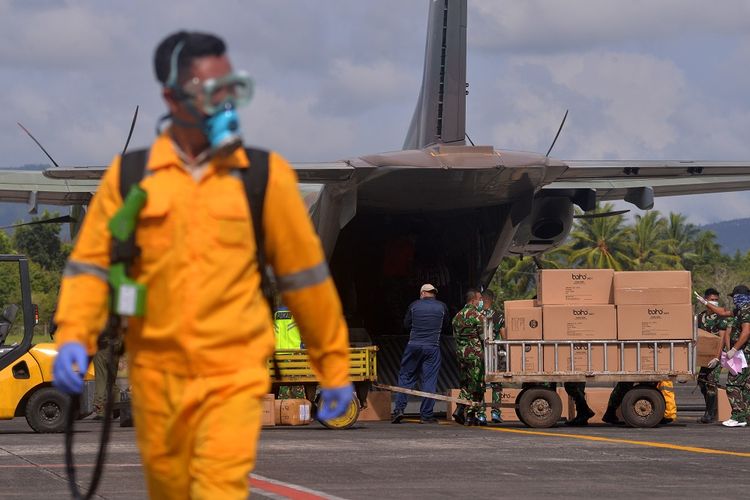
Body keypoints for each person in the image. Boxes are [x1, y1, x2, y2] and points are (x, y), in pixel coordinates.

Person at [51, 31, 352, 499]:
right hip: (155, 375)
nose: (225, 100)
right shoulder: (131, 177)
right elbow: (91, 267)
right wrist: (74, 336)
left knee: (217, 487)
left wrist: (332, 365)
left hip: (232, 372)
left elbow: (305, 279)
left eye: (230, 87)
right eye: (210, 89)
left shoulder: (262, 177)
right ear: (172, 96)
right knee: (170, 490)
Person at [392, 284, 449, 424]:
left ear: (422, 293)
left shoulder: (414, 305)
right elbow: (447, 325)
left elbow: (406, 325)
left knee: (406, 377)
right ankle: (426, 415)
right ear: (433, 294)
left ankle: (399, 410)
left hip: (414, 346)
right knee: (429, 381)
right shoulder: (442, 307)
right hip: (432, 347)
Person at [693, 287, 733, 423]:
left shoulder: (720, 317)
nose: (714, 302)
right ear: (705, 300)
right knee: (702, 383)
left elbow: (721, 338)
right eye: (712, 300)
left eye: (716, 300)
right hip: (704, 357)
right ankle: (712, 409)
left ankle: (709, 414)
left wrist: (717, 357)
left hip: (717, 356)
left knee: (711, 383)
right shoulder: (700, 317)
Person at [452, 289, 486, 426]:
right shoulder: (477, 316)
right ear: (473, 300)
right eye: (479, 299)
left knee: (466, 383)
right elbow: (485, 338)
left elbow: (455, 337)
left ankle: (460, 408)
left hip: (461, 355)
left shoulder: (457, 316)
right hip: (475, 355)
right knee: (477, 384)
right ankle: (471, 415)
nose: (481, 302)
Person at [723, 285, 750, 427]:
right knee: (746, 386)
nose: (734, 300)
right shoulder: (742, 310)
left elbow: (746, 332)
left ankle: (738, 417)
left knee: (732, 384)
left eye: (735, 297)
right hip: (745, 354)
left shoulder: (745, 310)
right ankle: (746, 416)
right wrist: (706, 303)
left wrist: (733, 349)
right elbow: (724, 312)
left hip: (744, 354)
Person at [480, 289, 504, 423]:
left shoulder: (477, 314)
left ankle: (481, 414)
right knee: (496, 383)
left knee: (480, 383)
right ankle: (495, 413)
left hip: (480, 352)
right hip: (494, 353)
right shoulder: (499, 315)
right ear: (492, 300)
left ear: (483, 300)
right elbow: (503, 334)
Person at [274, 305, 305, 399]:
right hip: (295, 355)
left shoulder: (272, 314)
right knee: (298, 383)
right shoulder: (297, 313)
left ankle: (279, 404)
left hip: (277, 356)